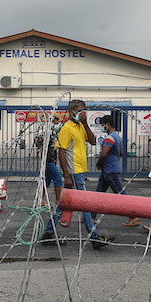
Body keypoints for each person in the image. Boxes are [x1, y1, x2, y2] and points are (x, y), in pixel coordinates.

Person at [46, 99, 113, 249]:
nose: (82, 113)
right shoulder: (66, 128)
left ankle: (49, 231)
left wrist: (85, 124)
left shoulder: (79, 126)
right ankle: (94, 237)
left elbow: (93, 141)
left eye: (84, 111)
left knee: (65, 202)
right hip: (74, 171)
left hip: (79, 170)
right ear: (71, 112)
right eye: (79, 111)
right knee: (84, 203)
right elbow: (61, 151)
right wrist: (67, 175)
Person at [93, 115, 141, 227]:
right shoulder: (117, 137)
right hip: (109, 170)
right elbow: (121, 153)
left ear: (107, 125)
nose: (102, 127)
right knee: (98, 194)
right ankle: (91, 216)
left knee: (120, 195)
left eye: (102, 125)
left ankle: (133, 216)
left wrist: (99, 162)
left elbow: (104, 154)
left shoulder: (109, 138)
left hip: (110, 171)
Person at [35, 113, 64, 212]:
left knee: (46, 180)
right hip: (49, 161)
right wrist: (44, 164)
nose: (56, 125)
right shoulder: (47, 133)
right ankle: (57, 202)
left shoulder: (53, 133)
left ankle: (41, 200)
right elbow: (43, 149)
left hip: (52, 160)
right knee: (58, 179)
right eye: (55, 123)